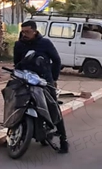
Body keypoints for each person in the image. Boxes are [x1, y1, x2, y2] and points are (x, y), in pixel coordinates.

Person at [14, 21, 68, 153]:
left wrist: (53, 79)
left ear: (34, 31)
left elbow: (57, 60)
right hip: (25, 80)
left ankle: (63, 140)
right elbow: (16, 63)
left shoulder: (45, 43)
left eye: (27, 32)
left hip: (44, 81)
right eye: (23, 32)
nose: (24, 34)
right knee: (15, 102)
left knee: (53, 107)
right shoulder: (19, 45)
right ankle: (13, 132)